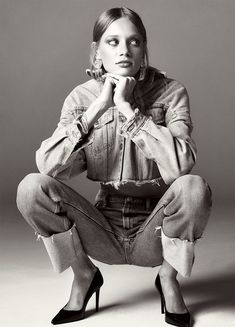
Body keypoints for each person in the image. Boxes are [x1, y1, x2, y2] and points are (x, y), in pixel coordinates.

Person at [16, 7, 212, 327]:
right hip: (102, 228)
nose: (124, 50)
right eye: (113, 41)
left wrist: (128, 109)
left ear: (143, 49)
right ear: (97, 51)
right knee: (30, 188)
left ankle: (168, 279)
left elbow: (181, 167)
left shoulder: (171, 92)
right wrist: (97, 109)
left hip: (156, 228)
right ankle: (84, 275)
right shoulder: (81, 98)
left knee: (194, 187)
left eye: (134, 41)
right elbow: (48, 166)